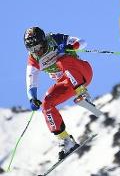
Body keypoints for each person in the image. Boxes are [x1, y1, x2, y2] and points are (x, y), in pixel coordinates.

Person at [24, 26, 94, 160]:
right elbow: (31, 79)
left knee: (62, 60)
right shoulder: (33, 59)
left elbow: (82, 41)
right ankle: (66, 141)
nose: (36, 51)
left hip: (82, 73)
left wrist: (71, 47)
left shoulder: (55, 39)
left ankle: (83, 94)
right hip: (66, 83)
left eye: (37, 47)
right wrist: (32, 98)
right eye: (32, 49)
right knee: (47, 104)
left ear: (43, 41)